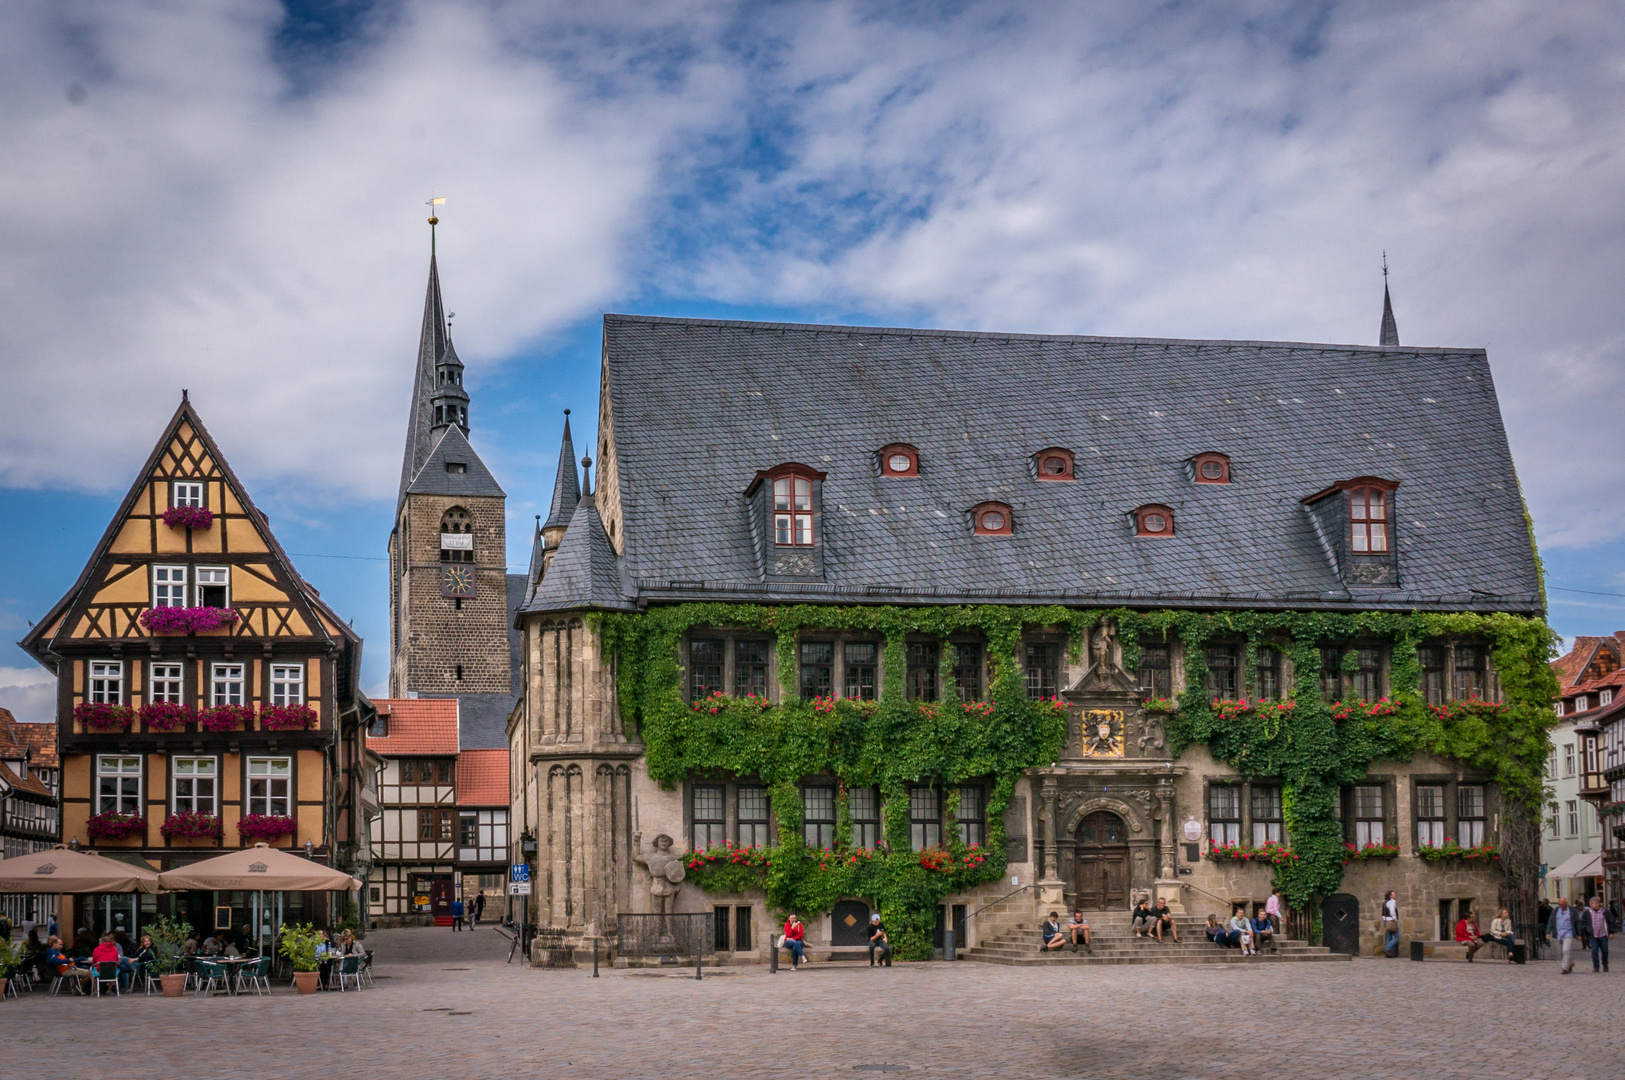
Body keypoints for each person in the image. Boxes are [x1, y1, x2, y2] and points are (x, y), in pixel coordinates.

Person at [1585, 896, 1616, 973]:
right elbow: (1583, 922)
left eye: (1592, 903)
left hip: (1603, 934)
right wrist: (1587, 929)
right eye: (1590, 903)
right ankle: (1596, 967)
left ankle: (1605, 964)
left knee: (1604, 950)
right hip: (1593, 935)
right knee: (1594, 950)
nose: (1591, 905)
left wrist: (1611, 932)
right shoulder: (1588, 912)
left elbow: (1612, 922)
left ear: (1597, 904)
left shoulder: (1605, 911)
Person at [1549, 896, 1578, 974]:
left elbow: (1577, 921)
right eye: (1559, 904)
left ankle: (1564, 968)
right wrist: (1548, 932)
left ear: (1566, 903)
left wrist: (1579, 933)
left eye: (1562, 904)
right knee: (1560, 952)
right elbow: (1551, 921)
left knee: (1566, 950)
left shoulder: (1572, 910)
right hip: (1558, 933)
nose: (1561, 906)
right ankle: (1569, 962)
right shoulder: (1555, 911)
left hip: (1568, 933)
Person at [1381, 891, 1400, 958]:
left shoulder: (1385, 902)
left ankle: (1388, 953)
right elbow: (1392, 911)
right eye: (1394, 894)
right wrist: (1394, 919)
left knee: (1389, 937)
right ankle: (1386, 949)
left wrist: (1385, 919)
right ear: (1390, 896)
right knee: (1396, 937)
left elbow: (1383, 913)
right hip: (1391, 921)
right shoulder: (1392, 902)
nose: (1395, 895)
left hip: (1386, 921)